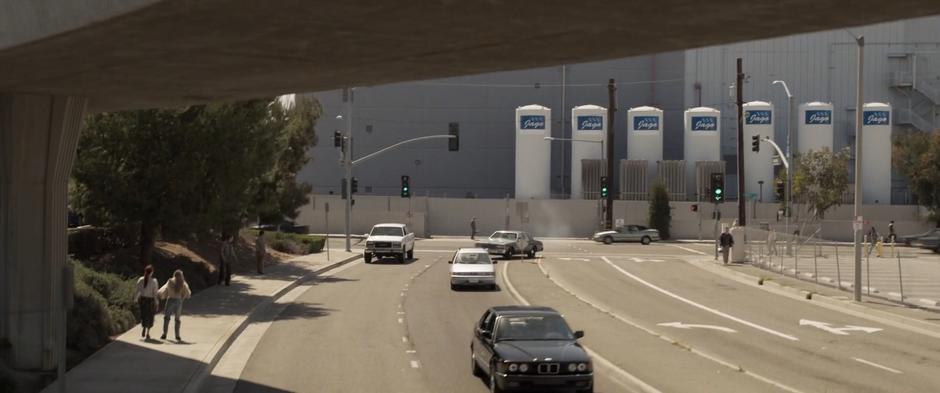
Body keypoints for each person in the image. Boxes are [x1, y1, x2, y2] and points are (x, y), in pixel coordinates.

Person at [158, 269, 192, 342]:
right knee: (177, 319)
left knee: (166, 318)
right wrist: (182, 298)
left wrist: (161, 295)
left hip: (170, 300)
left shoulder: (170, 281)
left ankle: (164, 334)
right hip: (178, 301)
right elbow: (187, 293)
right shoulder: (183, 283)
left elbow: (165, 289)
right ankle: (177, 335)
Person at [135, 265, 159, 340]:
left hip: (142, 300)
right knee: (150, 316)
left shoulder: (140, 280)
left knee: (143, 315)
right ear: (152, 272)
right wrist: (157, 302)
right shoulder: (154, 281)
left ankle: (144, 327)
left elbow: (137, 291)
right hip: (150, 301)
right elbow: (155, 293)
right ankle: (148, 332)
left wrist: (135, 299)